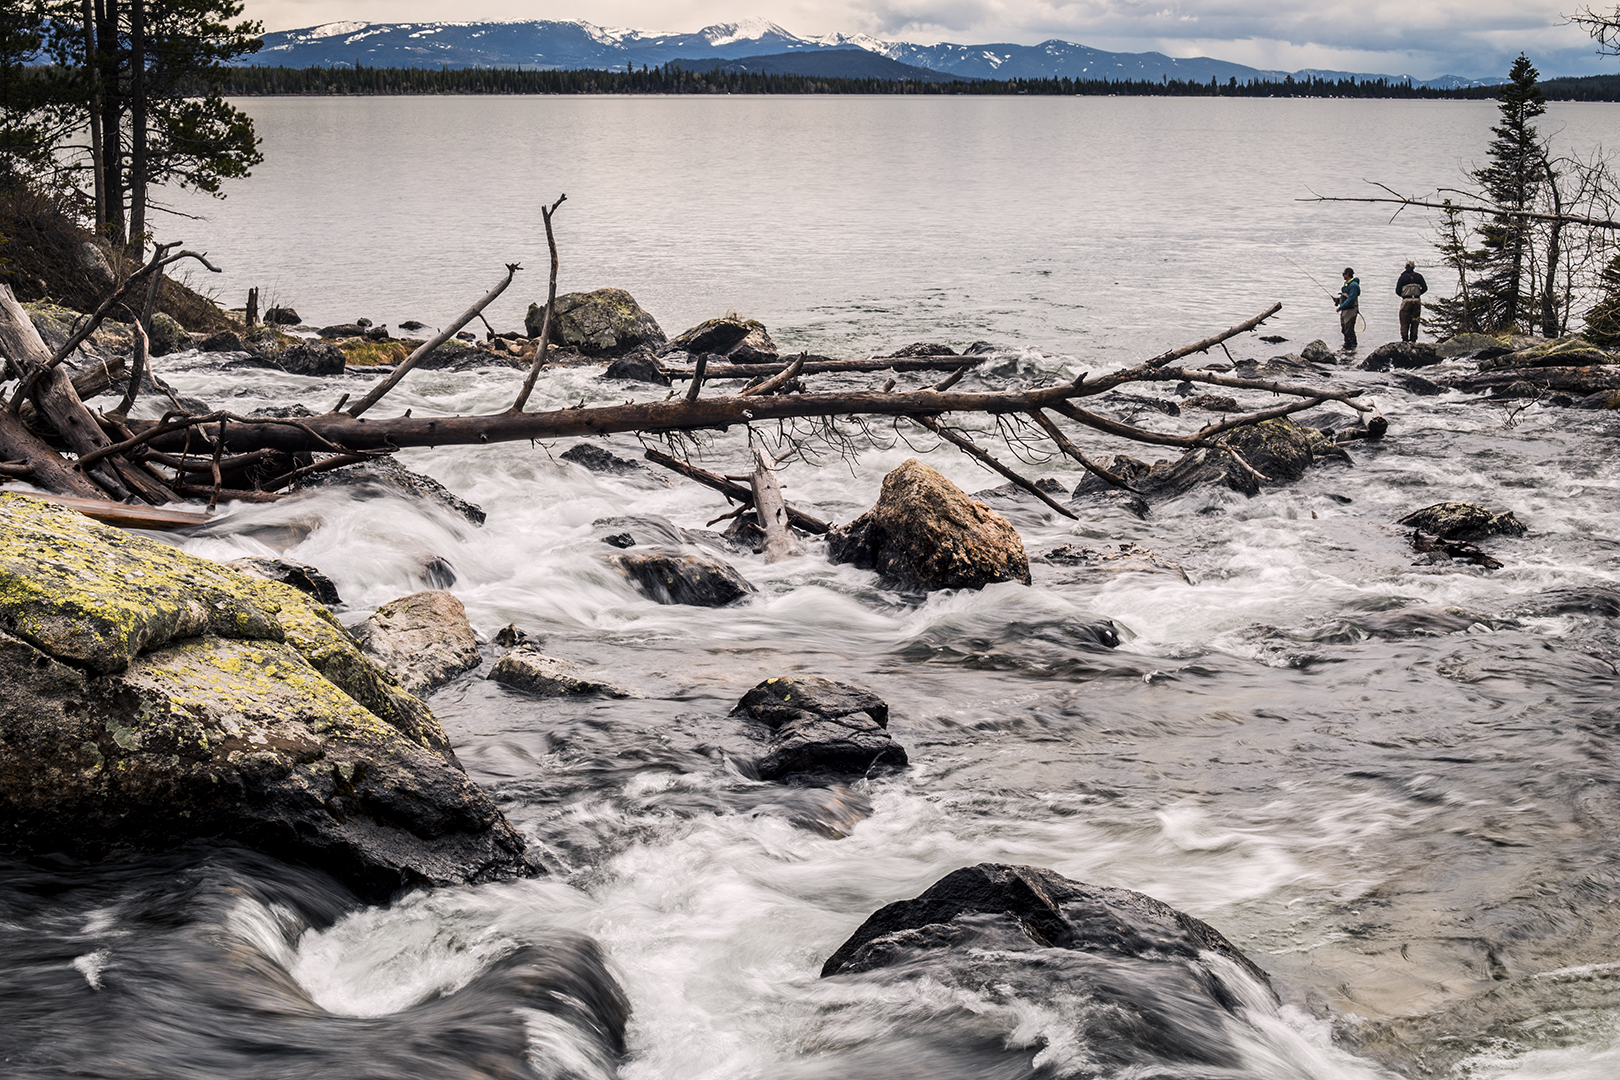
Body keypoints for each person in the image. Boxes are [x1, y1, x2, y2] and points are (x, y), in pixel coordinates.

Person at [1396, 260, 1428, 342]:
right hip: (1417, 300)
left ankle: (1405, 340)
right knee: (1415, 321)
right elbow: (1425, 288)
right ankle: (1413, 340)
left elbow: (1397, 291)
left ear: (1405, 267)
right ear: (1413, 268)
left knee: (1404, 321)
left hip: (1406, 300)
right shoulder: (1419, 277)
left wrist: (1404, 295)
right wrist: (1418, 293)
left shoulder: (1402, 277)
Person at [1335, 267, 1361, 349]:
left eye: (1344, 274)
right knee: (1344, 330)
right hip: (1345, 311)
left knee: (1349, 330)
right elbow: (1345, 298)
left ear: (1348, 274)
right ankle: (1347, 346)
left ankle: (1353, 347)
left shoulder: (1353, 285)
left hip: (1351, 311)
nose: (1342, 275)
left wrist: (1340, 307)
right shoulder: (1347, 284)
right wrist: (1338, 300)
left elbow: (1351, 300)